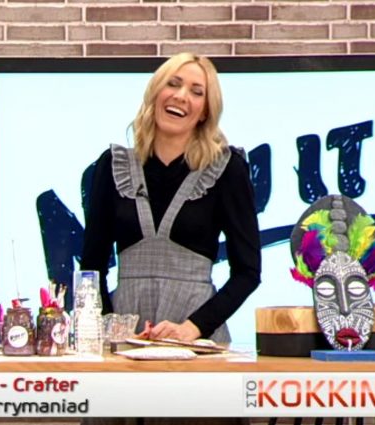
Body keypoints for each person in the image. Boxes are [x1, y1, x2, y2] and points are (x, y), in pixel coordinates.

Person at [80, 52, 260, 425]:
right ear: (155, 92)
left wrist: (192, 329)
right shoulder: (112, 165)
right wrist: (114, 330)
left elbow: (248, 272)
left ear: (206, 111)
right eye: (173, 84)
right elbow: (92, 267)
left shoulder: (228, 169)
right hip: (124, 344)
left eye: (196, 91)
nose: (181, 96)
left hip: (197, 341)